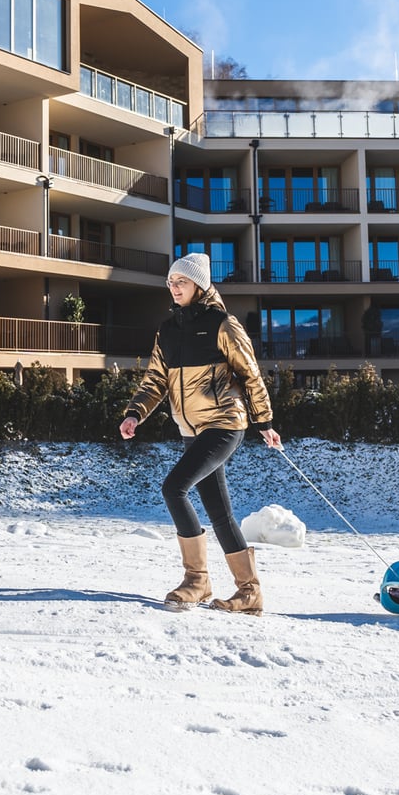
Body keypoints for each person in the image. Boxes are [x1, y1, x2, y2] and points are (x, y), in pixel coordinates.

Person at [118, 253, 280, 614]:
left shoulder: (222, 324)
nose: (174, 288)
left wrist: (264, 422)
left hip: (224, 423)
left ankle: (197, 580)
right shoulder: (168, 329)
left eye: (182, 282)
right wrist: (135, 413)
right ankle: (249, 592)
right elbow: (155, 379)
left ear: (200, 285)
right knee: (219, 513)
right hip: (191, 428)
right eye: (171, 282)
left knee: (173, 488)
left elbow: (251, 374)